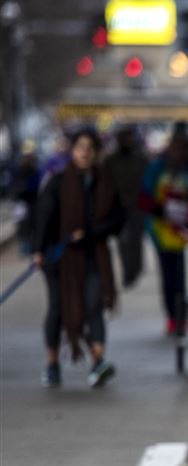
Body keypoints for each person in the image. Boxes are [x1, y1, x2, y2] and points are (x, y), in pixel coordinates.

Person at [33, 128, 124, 388]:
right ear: (72, 151)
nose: (84, 152)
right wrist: (39, 250)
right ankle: (52, 363)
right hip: (60, 258)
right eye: (80, 147)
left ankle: (98, 362)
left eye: (90, 147)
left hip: (94, 254)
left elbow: (118, 219)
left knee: (94, 305)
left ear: (97, 152)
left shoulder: (105, 183)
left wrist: (92, 232)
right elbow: (43, 218)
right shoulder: (58, 182)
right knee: (58, 309)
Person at [139, 128, 188, 336]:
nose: (179, 153)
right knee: (169, 278)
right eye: (175, 148)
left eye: (183, 148)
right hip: (163, 234)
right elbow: (144, 196)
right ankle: (173, 317)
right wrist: (162, 210)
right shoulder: (157, 168)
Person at [104, 126, 150, 288]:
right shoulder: (110, 161)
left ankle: (136, 269)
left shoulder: (141, 159)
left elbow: (148, 182)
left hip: (137, 206)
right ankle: (127, 272)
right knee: (123, 241)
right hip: (119, 206)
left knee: (136, 240)